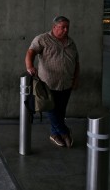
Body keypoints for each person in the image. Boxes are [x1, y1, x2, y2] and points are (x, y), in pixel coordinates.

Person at [25, 16, 80, 148]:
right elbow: (30, 52)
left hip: (66, 83)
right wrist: (30, 66)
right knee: (51, 109)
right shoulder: (42, 39)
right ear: (54, 27)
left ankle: (55, 134)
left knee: (61, 111)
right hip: (48, 83)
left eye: (67, 27)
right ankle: (64, 132)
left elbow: (76, 63)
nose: (66, 30)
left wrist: (76, 79)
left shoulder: (71, 42)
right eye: (63, 27)